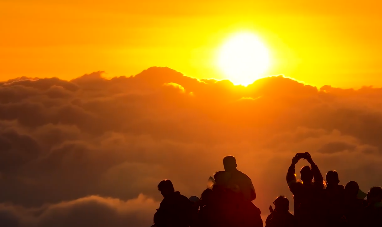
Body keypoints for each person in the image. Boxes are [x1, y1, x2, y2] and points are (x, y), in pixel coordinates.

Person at [286, 152, 324, 227]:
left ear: (301, 177)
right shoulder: (316, 188)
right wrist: (311, 161)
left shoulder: (298, 189)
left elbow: (290, 178)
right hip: (316, 222)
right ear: (312, 176)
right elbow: (319, 177)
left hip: (301, 222)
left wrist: (293, 163)